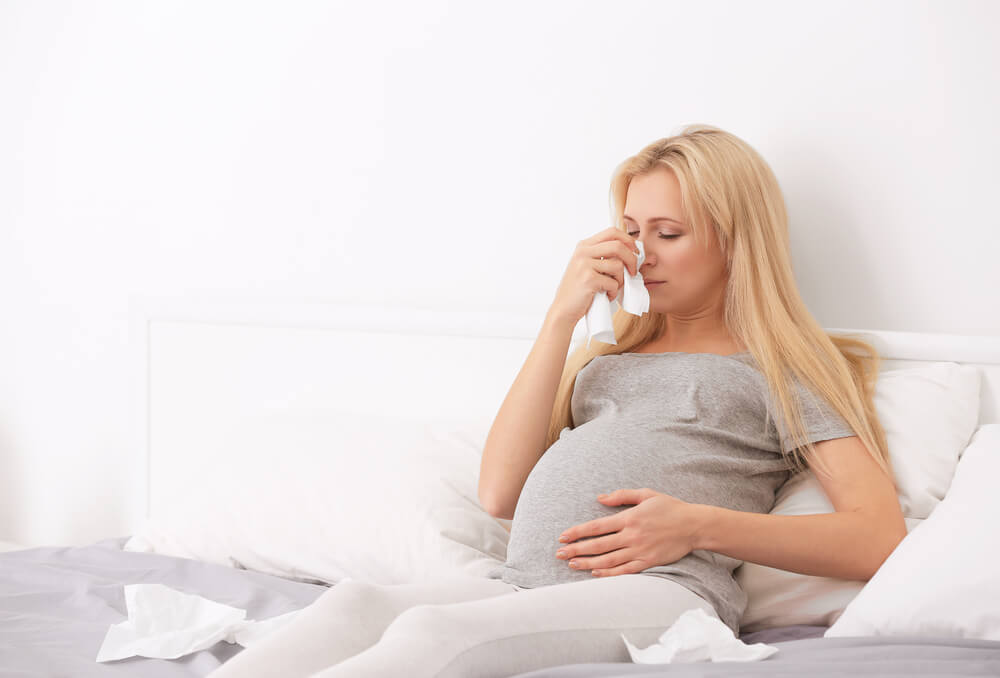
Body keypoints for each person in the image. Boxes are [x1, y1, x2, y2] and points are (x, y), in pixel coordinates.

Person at [207, 124, 903, 678]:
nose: (642, 253)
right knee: (353, 606)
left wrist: (696, 526)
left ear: (735, 243)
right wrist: (560, 320)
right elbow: (499, 491)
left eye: (669, 233)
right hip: (526, 587)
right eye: (633, 231)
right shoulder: (605, 356)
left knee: (434, 634)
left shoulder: (784, 370)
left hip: (663, 595)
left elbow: (877, 535)